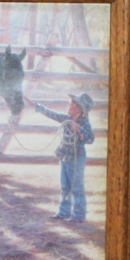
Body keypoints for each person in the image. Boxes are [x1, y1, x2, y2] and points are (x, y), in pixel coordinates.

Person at [31, 91, 95, 221]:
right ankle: (63, 213)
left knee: (76, 187)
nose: (69, 105)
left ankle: (79, 215)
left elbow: (90, 139)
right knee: (65, 186)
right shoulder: (67, 119)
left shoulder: (84, 123)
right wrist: (38, 107)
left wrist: (79, 129)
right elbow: (52, 114)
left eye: (72, 104)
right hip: (65, 155)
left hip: (76, 157)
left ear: (79, 109)